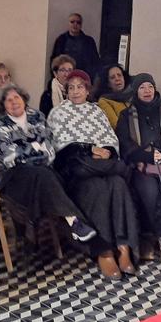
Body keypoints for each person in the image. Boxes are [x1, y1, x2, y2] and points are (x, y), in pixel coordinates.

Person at [47, 70, 139, 280]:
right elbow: (60, 148)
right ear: (66, 91)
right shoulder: (58, 113)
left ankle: (124, 247)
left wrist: (105, 151)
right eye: (71, 87)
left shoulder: (97, 111)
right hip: (77, 173)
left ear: (87, 90)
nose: (76, 91)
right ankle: (104, 251)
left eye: (80, 87)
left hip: (101, 166)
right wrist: (89, 150)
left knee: (117, 184)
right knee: (96, 184)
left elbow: (110, 140)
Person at [0, 84, 97, 245]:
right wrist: (35, 147)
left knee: (43, 174)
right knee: (45, 174)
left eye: (16, 97)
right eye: (8, 100)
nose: (13, 102)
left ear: (24, 99)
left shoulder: (37, 117)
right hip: (12, 178)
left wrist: (26, 152)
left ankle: (31, 222)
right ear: (3, 105)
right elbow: (9, 158)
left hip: (39, 176)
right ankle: (73, 221)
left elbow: (49, 152)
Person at [116, 73, 161, 262]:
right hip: (141, 165)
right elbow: (124, 143)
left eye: (150, 87)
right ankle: (147, 237)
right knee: (148, 191)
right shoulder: (126, 115)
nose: (147, 91)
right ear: (136, 91)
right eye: (142, 87)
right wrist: (147, 156)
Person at [50, 12, 100, 79]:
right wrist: (56, 77)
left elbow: (95, 61)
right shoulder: (61, 40)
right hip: (64, 77)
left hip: (83, 77)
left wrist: (91, 77)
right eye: (72, 22)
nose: (75, 24)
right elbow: (55, 60)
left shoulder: (89, 41)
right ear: (68, 23)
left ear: (81, 25)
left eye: (78, 22)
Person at [94, 64, 131, 129]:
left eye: (119, 75)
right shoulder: (104, 100)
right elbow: (116, 125)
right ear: (108, 83)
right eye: (112, 77)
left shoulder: (132, 96)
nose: (117, 79)